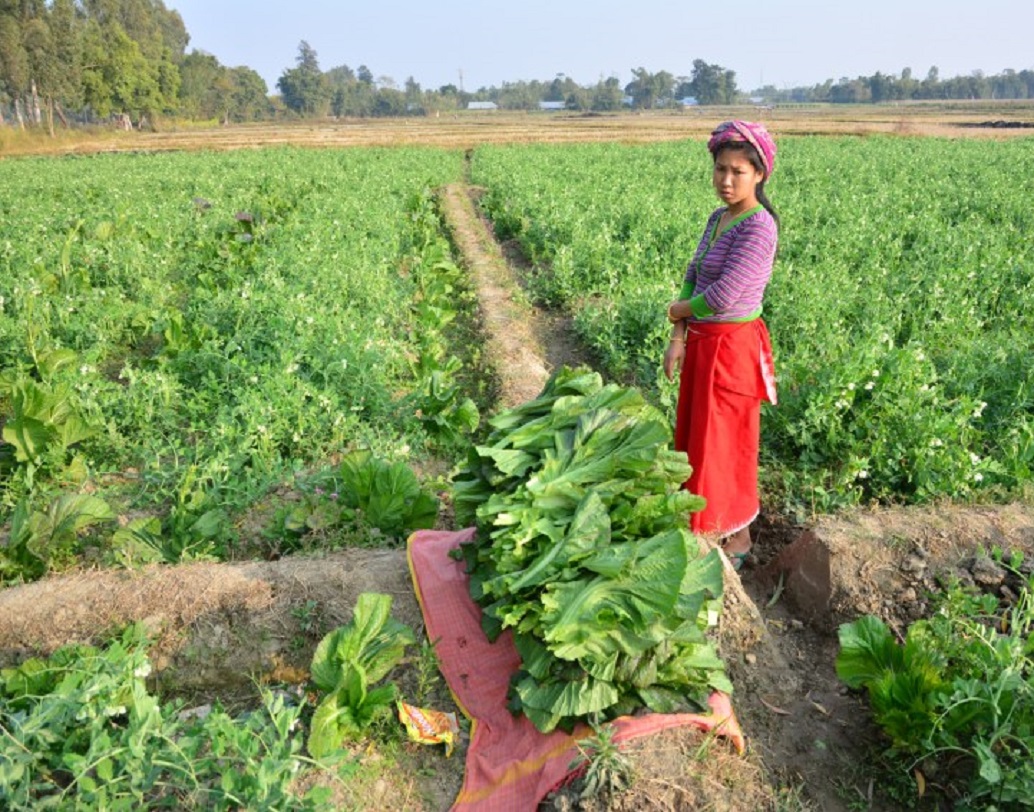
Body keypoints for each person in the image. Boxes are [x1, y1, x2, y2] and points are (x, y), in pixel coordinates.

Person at [663, 120, 779, 570]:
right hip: (702, 341)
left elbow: (724, 296)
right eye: (720, 170)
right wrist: (678, 336)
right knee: (697, 436)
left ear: (760, 174)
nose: (726, 181)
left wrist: (678, 312)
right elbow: (694, 271)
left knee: (726, 442)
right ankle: (701, 522)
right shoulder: (719, 218)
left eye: (738, 172)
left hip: (731, 347)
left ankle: (736, 536)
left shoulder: (759, 227)